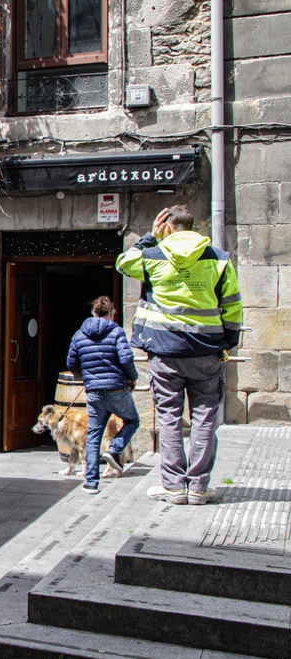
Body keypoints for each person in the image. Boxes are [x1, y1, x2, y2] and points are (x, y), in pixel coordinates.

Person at [117, 205, 242, 505]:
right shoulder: (219, 258)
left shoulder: (152, 255)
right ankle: (198, 487)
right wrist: (228, 342)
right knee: (205, 417)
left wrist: (149, 237)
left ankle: (173, 486)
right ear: (192, 226)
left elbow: (123, 263)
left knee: (169, 417)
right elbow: (232, 305)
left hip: (165, 351)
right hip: (207, 350)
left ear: (168, 226)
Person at [66, 296, 140, 494]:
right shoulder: (116, 331)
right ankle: (114, 449)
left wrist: (86, 378)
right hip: (117, 389)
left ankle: (91, 482)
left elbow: (72, 363)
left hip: (94, 393)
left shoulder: (79, 334)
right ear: (112, 313)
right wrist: (132, 377)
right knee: (132, 421)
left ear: (93, 313)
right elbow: (126, 359)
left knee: (93, 435)